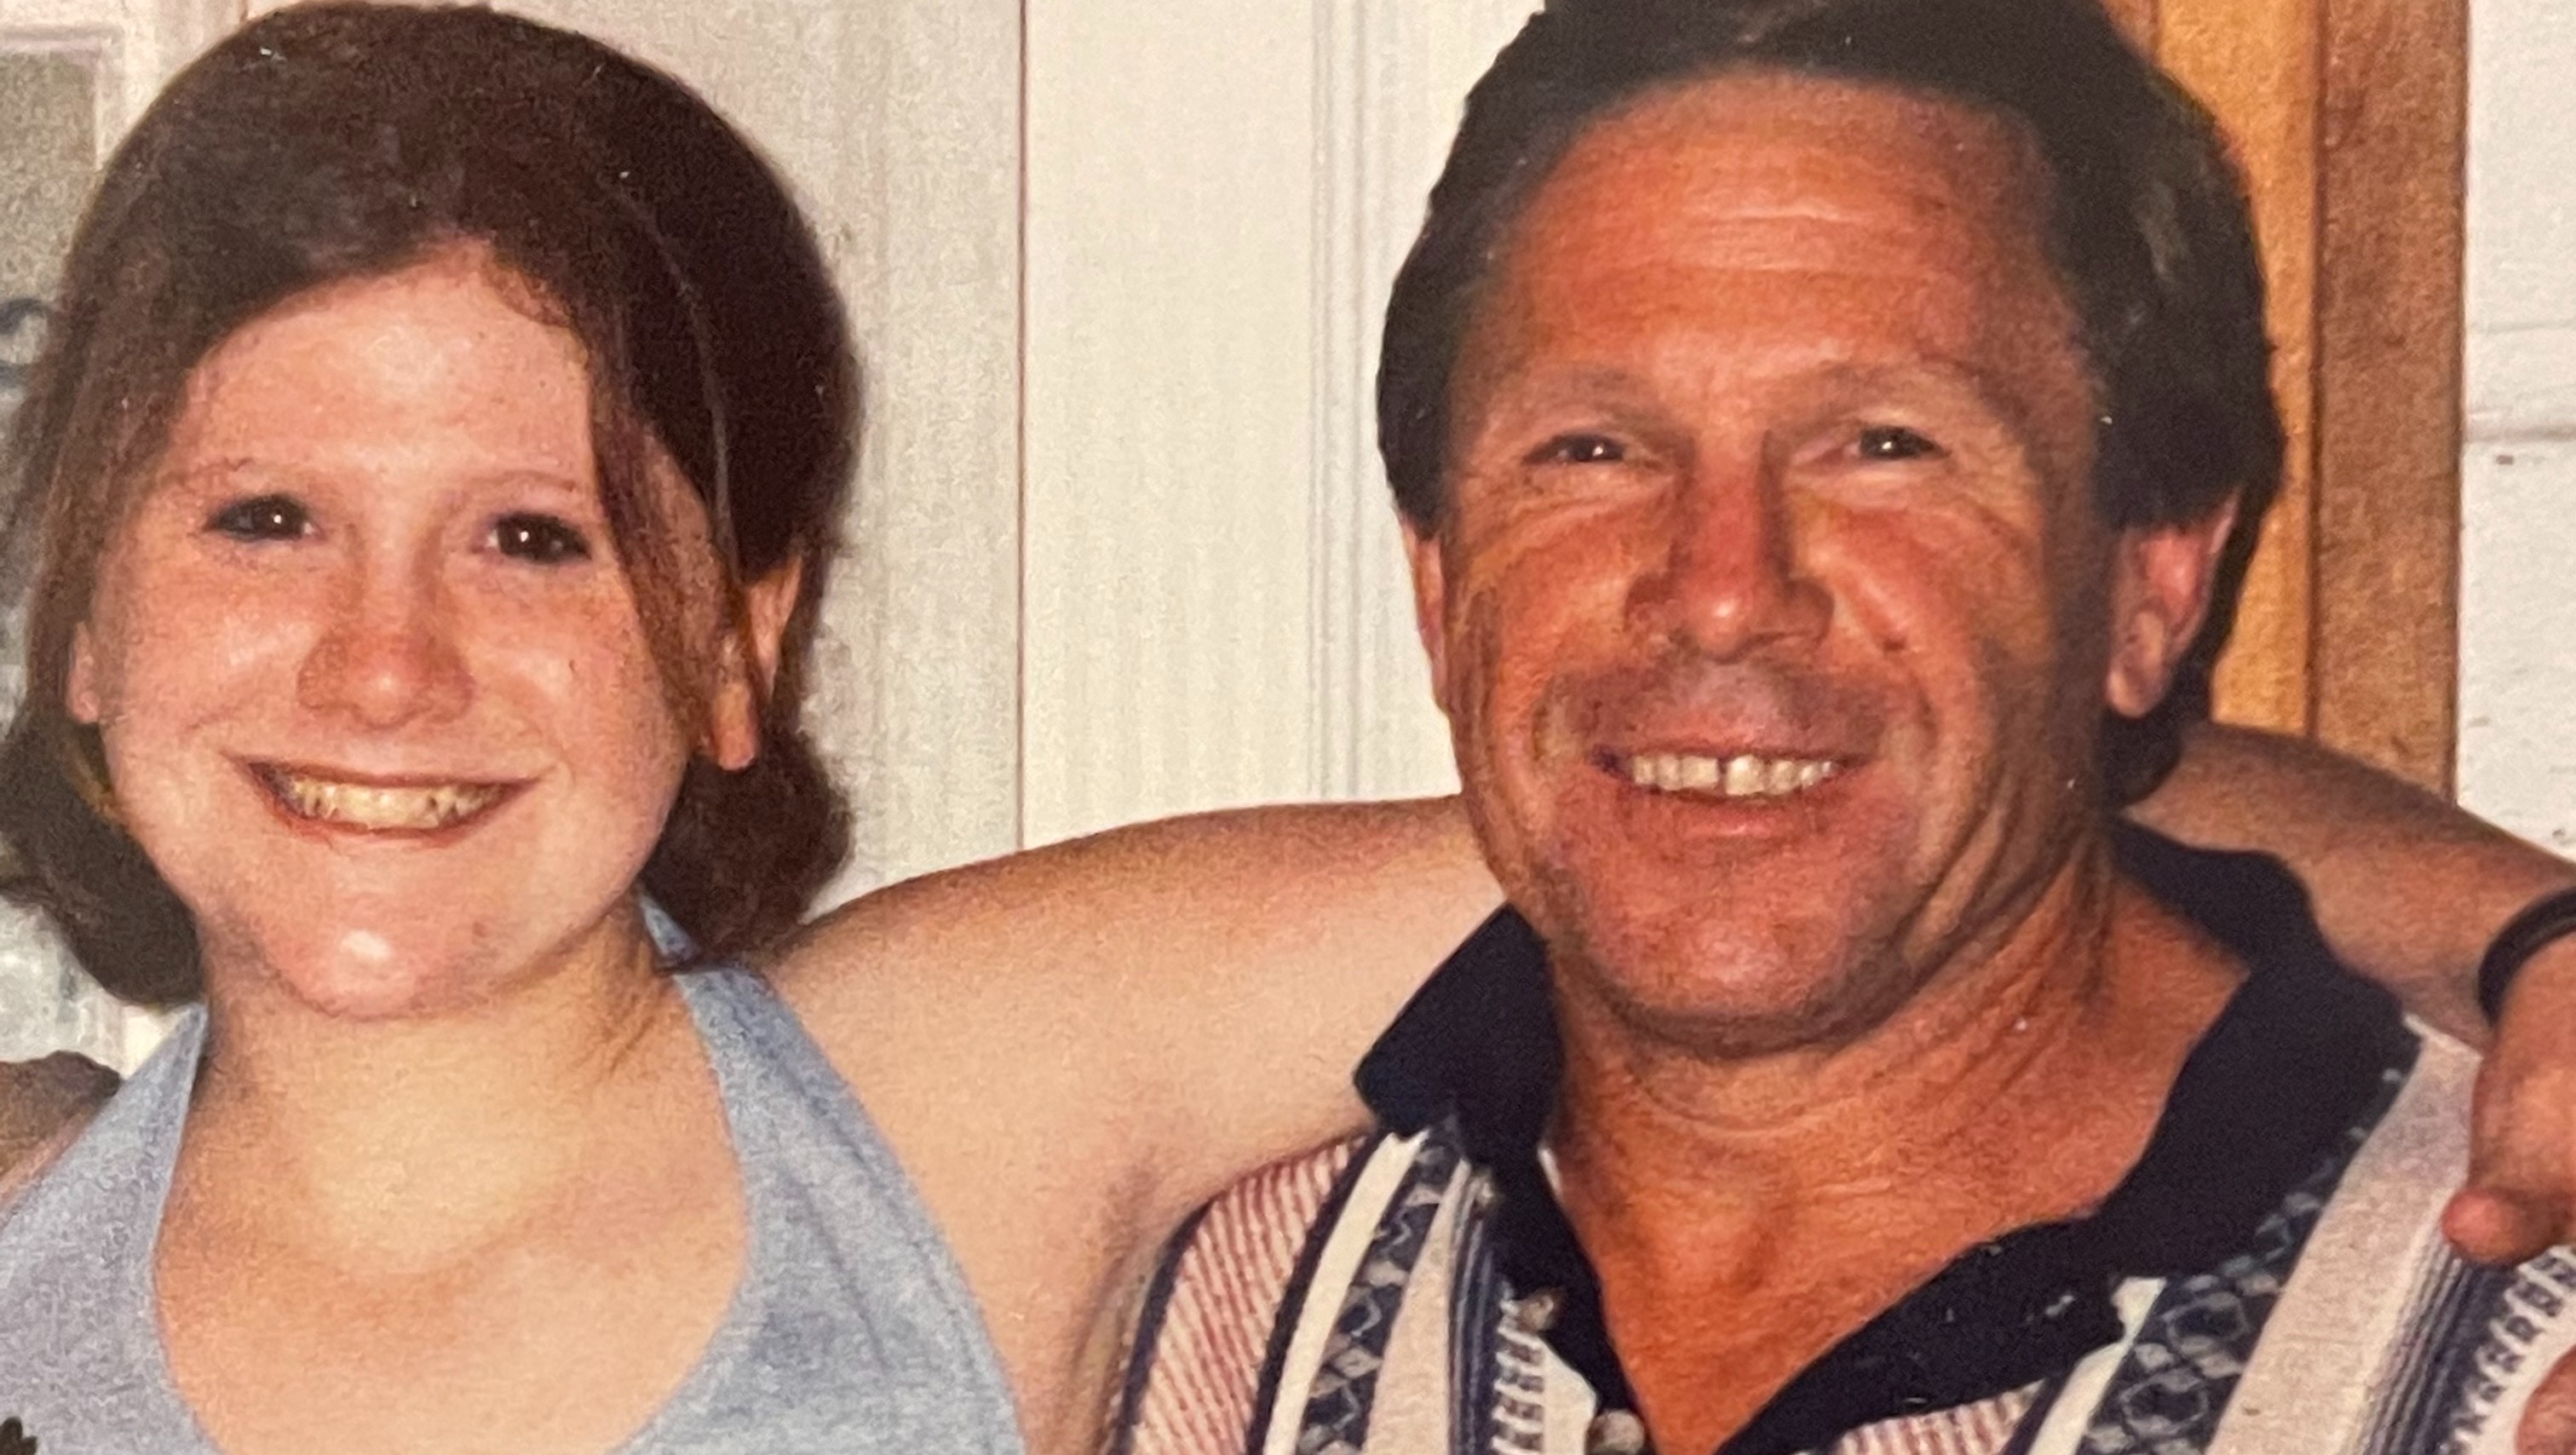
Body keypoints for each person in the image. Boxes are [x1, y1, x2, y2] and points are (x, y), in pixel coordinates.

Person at [6, 5, 2576, 1455]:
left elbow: (1842, 774)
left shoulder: (974, 1088)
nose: (384, 664)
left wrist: (2531, 932)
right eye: (262, 519)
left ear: (736, 642)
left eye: (535, 535)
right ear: (73, 609)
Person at [1111, 1, 2576, 1451]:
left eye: (1884, 445)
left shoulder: (2522, 1352)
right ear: (1440, 583)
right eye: (1593, 449)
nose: (1721, 595)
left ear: (2153, 578)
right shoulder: (1155, 1314)